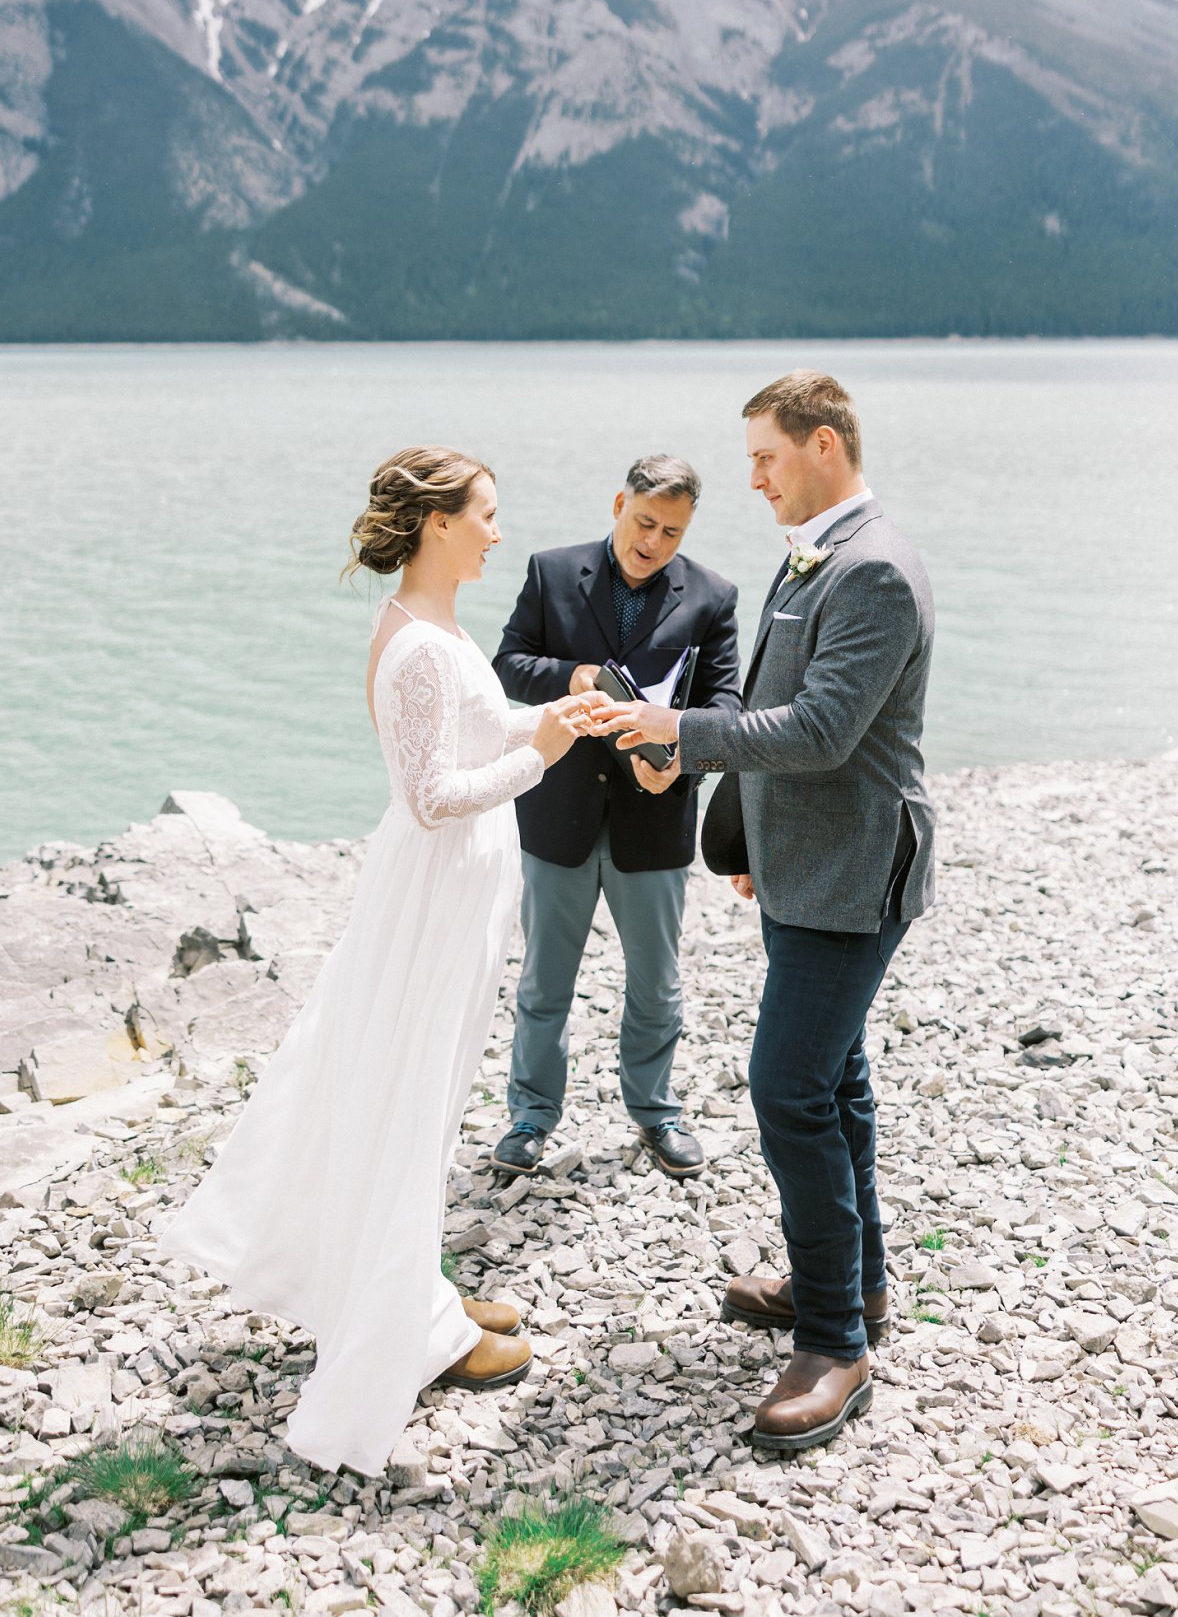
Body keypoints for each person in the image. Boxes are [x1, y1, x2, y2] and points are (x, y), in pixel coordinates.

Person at [160, 447, 595, 1475]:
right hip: (432, 906)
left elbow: (462, 747)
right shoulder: (416, 650)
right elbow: (430, 796)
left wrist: (547, 720)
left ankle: (413, 1292)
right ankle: (398, 1337)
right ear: (437, 523)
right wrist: (542, 757)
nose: (498, 531)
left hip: (457, 900)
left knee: (428, 1105)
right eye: (485, 514)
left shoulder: (435, 629)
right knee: (408, 1107)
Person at [592, 373, 935, 1453]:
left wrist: (672, 734)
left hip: (855, 871)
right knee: (833, 1079)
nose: (749, 478)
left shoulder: (873, 568)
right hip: (803, 863)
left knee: (784, 1084)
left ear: (823, 445)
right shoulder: (817, 555)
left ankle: (835, 1343)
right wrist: (741, 835)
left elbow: (824, 729)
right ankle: (857, 1286)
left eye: (765, 457)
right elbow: (767, 706)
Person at [491, 454, 742, 1179]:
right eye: (643, 523)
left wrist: (675, 760)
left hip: (655, 821)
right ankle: (531, 1116)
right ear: (618, 504)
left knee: (656, 985)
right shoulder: (548, 571)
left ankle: (656, 1113)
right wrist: (569, 677)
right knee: (544, 983)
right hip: (556, 815)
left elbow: (726, 710)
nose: (653, 542)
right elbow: (507, 663)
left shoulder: (714, 597)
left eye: (671, 531)